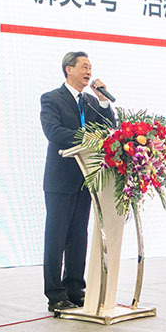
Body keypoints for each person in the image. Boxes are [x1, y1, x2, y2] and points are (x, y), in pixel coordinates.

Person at [40, 51, 115, 312]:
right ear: (68, 69)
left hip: (86, 179)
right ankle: (55, 295)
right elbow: (54, 132)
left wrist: (104, 102)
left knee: (78, 236)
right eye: (84, 67)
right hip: (60, 180)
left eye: (90, 67)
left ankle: (74, 289)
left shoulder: (91, 102)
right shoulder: (51, 98)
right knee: (56, 237)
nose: (88, 72)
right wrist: (88, 139)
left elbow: (107, 130)